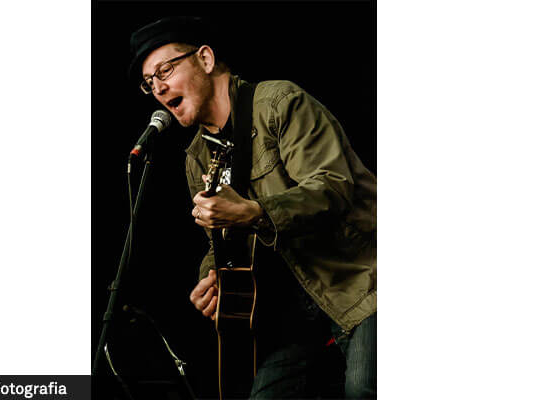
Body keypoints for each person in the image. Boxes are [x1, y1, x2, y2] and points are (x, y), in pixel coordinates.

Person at [129, 16, 376, 399]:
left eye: (165, 70)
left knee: (364, 388)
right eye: (149, 83)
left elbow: (333, 187)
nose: (159, 87)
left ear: (206, 59)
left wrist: (255, 212)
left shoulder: (278, 103)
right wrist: (211, 279)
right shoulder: (196, 157)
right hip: (292, 311)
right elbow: (220, 242)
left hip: (360, 282)